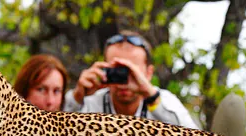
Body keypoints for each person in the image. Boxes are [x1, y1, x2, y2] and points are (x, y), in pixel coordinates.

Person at [63, 30, 199, 129]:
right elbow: (56, 135)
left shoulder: (163, 101)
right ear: (104, 69)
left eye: (132, 72)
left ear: (148, 73)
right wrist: (78, 96)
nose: (124, 80)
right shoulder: (91, 103)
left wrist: (151, 96)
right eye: (116, 70)